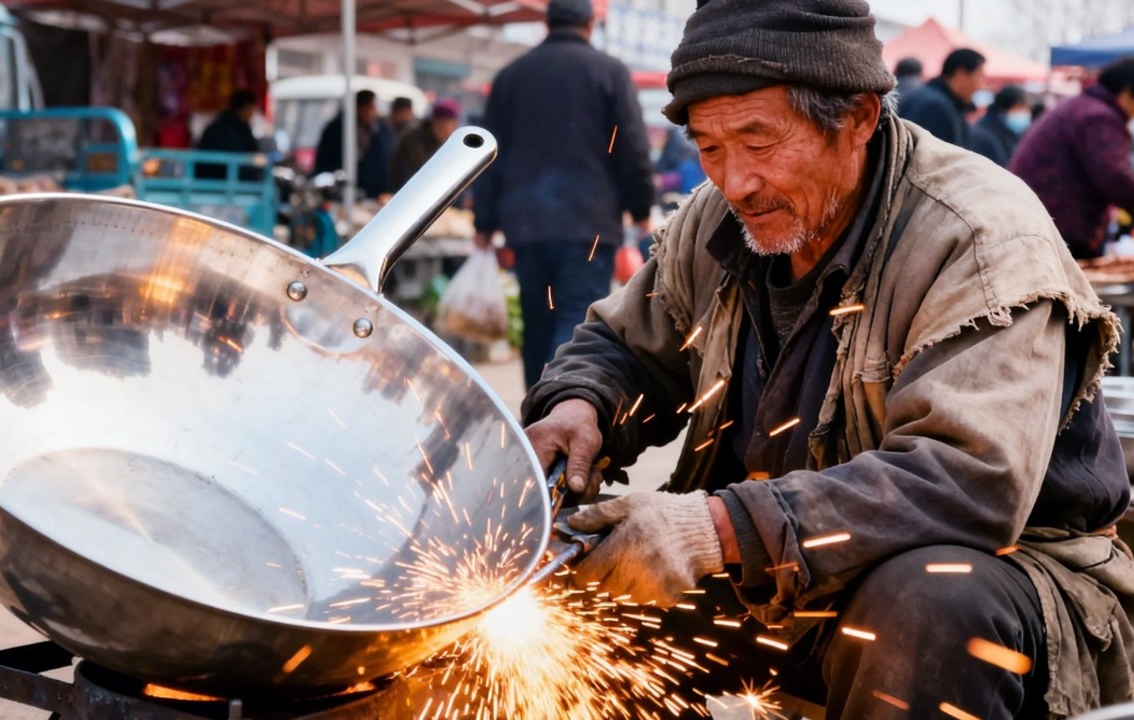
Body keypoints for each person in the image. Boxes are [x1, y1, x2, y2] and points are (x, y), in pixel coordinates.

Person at [522, 1, 1134, 718]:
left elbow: (969, 482)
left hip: (1008, 578)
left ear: (861, 119)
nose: (735, 181)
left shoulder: (979, 238)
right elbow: (630, 347)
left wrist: (711, 529)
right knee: (572, 597)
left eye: (759, 140)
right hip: (784, 564)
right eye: (709, 148)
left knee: (926, 600)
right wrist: (580, 406)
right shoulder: (719, 218)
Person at [474, 0, 654, 389]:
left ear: (547, 22)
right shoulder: (609, 73)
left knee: (538, 324)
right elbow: (632, 146)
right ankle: (560, 414)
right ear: (590, 24)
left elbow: (487, 153)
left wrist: (484, 222)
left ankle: (538, 419)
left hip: (527, 226)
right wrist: (640, 209)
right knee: (576, 320)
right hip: (588, 226)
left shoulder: (510, 76)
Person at [1010, 57, 1134, 259]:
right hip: (1057, 227)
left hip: (1039, 221)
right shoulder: (1099, 117)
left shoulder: (1082, 106)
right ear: (1128, 92)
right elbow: (1113, 177)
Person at [897, 47, 985, 148]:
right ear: (961, 74)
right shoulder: (935, 107)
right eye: (979, 77)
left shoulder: (934, 98)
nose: (980, 86)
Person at [314, 89, 392, 199]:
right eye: (369, 107)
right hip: (343, 191)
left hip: (372, 191)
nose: (373, 112)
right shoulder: (337, 129)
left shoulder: (378, 129)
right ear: (357, 108)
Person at [387, 99, 460, 193]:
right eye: (451, 124)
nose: (453, 129)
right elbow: (407, 179)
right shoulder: (413, 140)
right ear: (437, 121)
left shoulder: (445, 144)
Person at [194, 89, 261, 181]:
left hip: (207, 179)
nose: (252, 114)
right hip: (224, 180)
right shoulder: (233, 129)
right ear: (245, 108)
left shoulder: (218, 125)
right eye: (251, 109)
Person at [970, 84, 1031, 167]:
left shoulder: (1007, 134)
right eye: (1020, 107)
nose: (1026, 113)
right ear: (1006, 107)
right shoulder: (986, 136)